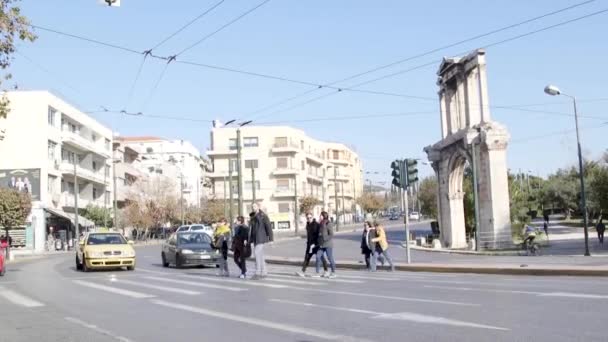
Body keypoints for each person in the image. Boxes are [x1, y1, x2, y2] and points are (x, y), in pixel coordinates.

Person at [296, 212, 327, 277]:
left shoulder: (315, 224)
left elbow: (316, 236)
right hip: (309, 244)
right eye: (307, 218)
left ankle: (326, 271)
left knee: (321, 258)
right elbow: (309, 235)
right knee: (307, 258)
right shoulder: (308, 224)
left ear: (312, 217)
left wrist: (314, 244)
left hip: (315, 245)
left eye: (310, 217)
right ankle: (302, 271)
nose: (309, 219)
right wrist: (308, 243)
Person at [249, 203, 273, 280]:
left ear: (258, 207)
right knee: (261, 255)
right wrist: (250, 239)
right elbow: (252, 229)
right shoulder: (252, 216)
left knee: (256, 253)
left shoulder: (263, 216)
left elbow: (268, 227)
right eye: (252, 207)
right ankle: (264, 272)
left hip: (261, 238)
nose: (253, 208)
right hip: (256, 238)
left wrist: (271, 239)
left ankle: (258, 272)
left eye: (255, 206)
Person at [315, 211, 337, 278]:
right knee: (318, 256)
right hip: (321, 244)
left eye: (320, 215)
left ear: (323, 216)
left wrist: (325, 239)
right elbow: (319, 234)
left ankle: (333, 272)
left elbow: (331, 234)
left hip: (328, 244)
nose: (319, 216)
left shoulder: (328, 223)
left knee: (330, 258)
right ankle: (319, 272)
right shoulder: (320, 223)